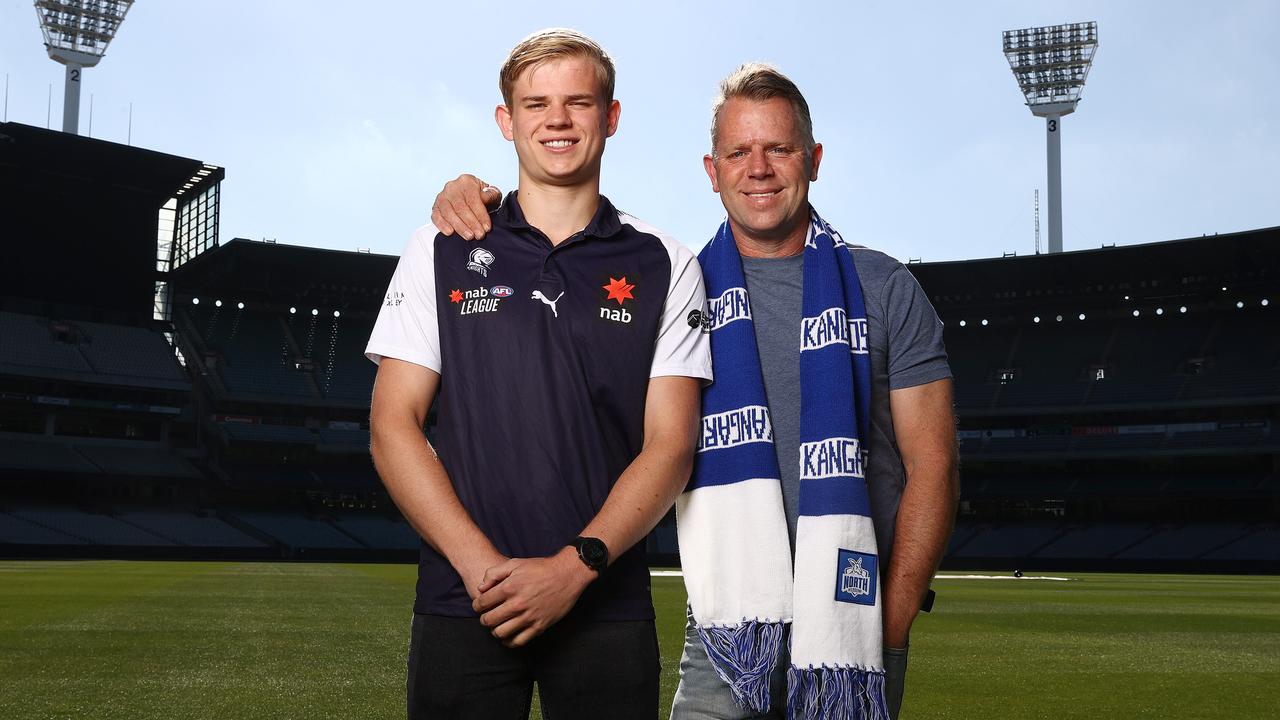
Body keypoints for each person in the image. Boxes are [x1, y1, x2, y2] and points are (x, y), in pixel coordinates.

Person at [431, 64, 957, 720]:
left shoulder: (884, 288)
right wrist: (483, 201)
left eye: (780, 149)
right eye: (739, 152)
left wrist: (897, 614)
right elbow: (559, 252)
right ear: (712, 170)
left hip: (854, 627)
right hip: (722, 633)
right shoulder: (671, 283)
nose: (758, 168)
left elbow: (932, 464)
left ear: (814, 160)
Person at [367, 28, 712, 720]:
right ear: (507, 121)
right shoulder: (441, 246)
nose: (557, 120)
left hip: (604, 605)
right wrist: (479, 570)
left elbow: (671, 448)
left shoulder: (666, 263)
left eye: (578, 102)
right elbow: (391, 426)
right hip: (463, 600)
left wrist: (572, 568)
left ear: (610, 118)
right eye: (536, 104)